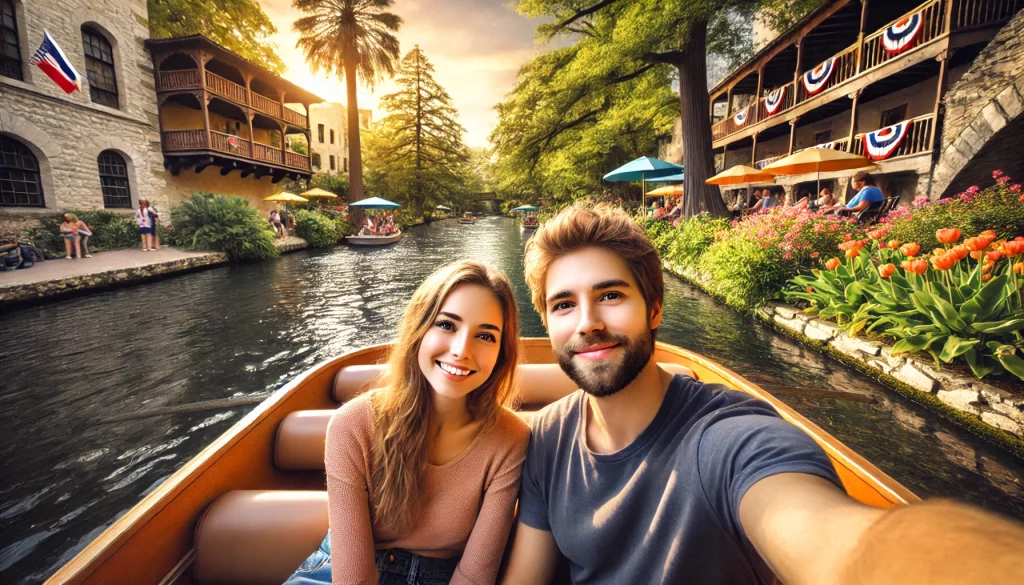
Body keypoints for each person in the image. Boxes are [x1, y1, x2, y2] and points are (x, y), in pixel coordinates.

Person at [501, 202, 1024, 585]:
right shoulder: (549, 436)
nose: (588, 323)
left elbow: (837, 543)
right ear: (547, 324)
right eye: (564, 305)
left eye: (610, 295)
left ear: (655, 309)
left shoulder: (731, 441)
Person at [283, 261, 530, 585]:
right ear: (419, 329)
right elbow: (354, 579)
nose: (461, 350)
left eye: (485, 335)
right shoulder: (352, 425)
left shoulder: (510, 438)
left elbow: (473, 575)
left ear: (502, 351)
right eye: (446, 325)